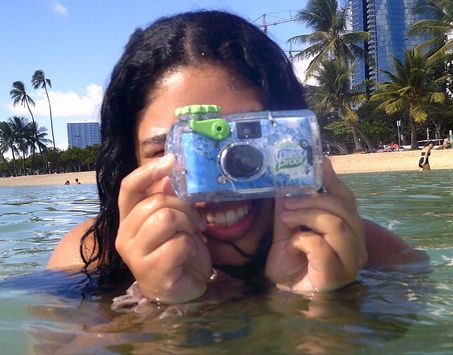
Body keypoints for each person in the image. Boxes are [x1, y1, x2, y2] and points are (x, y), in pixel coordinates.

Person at [47, 10, 426, 307]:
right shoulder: (88, 260)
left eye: (247, 140)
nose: (219, 175)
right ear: (129, 164)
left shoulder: (376, 255)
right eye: (172, 150)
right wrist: (158, 306)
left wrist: (327, 306)